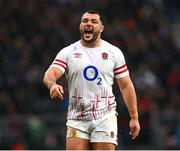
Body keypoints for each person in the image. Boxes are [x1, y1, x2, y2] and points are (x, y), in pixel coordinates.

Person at [43, 10, 140, 150]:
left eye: (94, 21)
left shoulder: (113, 52)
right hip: (77, 117)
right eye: (85, 21)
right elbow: (50, 73)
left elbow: (125, 85)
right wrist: (52, 85)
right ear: (80, 26)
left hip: (105, 116)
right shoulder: (69, 52)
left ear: (101, 28)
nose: (89, 24)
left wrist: (134, 117)